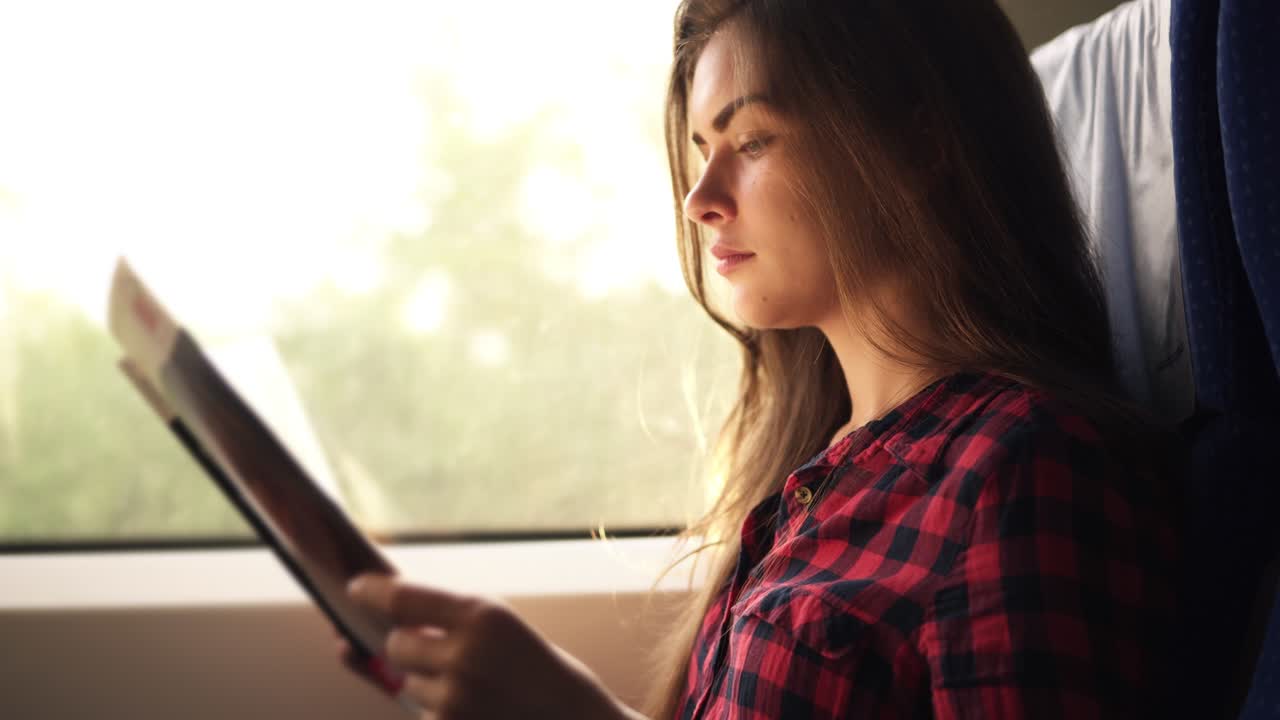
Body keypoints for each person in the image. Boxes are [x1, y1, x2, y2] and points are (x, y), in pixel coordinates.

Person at [339, 0, 1181, 717]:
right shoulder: (815, 478)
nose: (702, 202)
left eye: (752, 141)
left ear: (918, 147)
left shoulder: (1022, 470)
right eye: (703, 150)